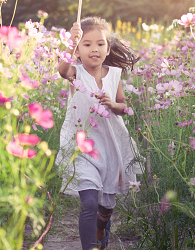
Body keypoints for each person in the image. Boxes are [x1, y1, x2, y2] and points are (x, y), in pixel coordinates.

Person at [56, 17, 143, 250]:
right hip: (82, 145)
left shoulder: (114, 74)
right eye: (86, 44)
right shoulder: (76, 72)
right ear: (78, 50)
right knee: (90, 203)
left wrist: (112, 104)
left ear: (108, 48)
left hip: (110, 143)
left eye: (100, 44)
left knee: (105, 206)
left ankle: (102, 225)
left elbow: (124, 106)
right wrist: (69, 42)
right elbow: (62, 70)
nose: (94, 49)